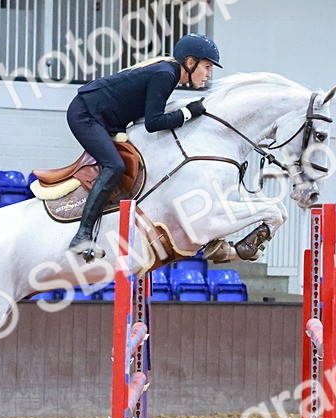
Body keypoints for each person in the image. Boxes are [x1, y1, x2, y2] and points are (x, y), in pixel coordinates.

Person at [65, 33, 222, 259]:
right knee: (115, 166)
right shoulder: (165, 75)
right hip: (85, 114)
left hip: (105, 118)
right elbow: (153, 123)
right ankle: (82, 234)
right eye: (206, 67)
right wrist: (188, 112)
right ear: (190, 62)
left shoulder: (168, 74)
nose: (209, 73)